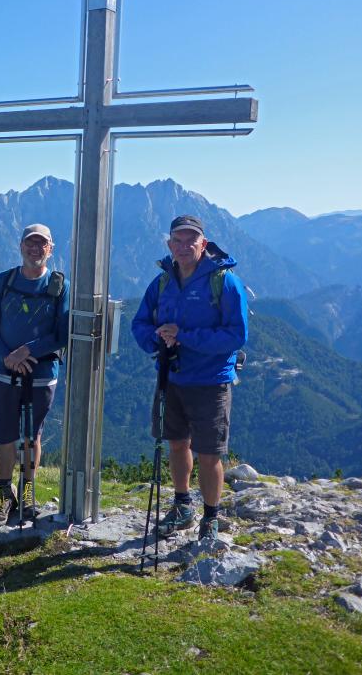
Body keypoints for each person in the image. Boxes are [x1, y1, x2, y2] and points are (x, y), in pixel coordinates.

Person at [131, 215, 248, 542]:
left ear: (203, 243)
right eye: (177, 241)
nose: (184, 247)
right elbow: (140, 323)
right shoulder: (162, 282)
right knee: (176, 443)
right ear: (169, 245)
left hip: (211, 380)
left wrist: (184, 337)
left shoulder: (223, 282)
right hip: (172, 376)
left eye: (190, 240)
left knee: (209, 453)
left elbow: (236, 335)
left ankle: (210, 516)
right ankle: (183, 505)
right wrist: (157, 339)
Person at [0, 223, 70, 526]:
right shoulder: (2, 282)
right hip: (5, 371)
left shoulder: (60, 287)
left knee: (33, 436)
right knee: (4, 434)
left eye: (41, 244)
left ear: (50, 249)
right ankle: (5, 496)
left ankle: (27, 492)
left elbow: (63, 333)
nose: (35, 249)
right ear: (20, 246)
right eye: (30, 243)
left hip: (42, 373)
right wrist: (9, 355)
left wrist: (26, 351)